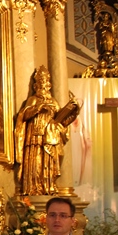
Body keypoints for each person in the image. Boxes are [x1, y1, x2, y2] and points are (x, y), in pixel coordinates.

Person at [14, 66, 79, 196]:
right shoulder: (33, 99)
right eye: (41, 82)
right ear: (36, 86)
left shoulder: (54, 101)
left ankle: (49, 186)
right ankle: (34, 187)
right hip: (35, 135)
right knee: (36, 160)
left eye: (46, 82)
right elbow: (23, 115)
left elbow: (61, 119)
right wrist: (38, 108)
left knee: (51, 160)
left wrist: (73, 110)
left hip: (51, 136)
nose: (44, 85)